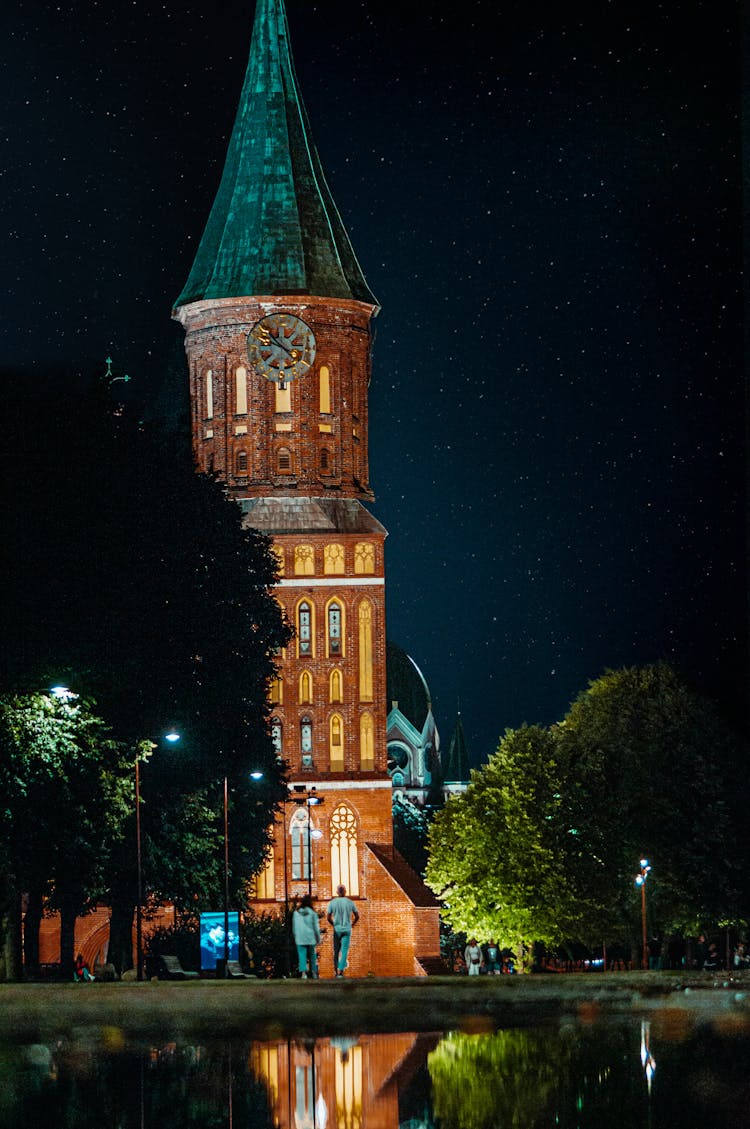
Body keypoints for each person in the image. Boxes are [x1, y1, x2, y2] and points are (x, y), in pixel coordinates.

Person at [326, 885, 359, 977]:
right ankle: (341, 971)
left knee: (336, 951)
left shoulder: (332, 903)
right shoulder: (350, 902)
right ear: (345, 892)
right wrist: (352, 924)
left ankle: (336, 972)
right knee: (344, 951)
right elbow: (357, 916)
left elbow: (328, 918)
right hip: (347, 929)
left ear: (337, 892)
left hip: (337, 930)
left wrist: (334, 925)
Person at [292, 894, 321, 979]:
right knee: (312, 955)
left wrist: (295, 936)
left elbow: (294, 926)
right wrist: (318, 938)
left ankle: (303, 974)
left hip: (300, 937)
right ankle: (314, 972)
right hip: (310, 937)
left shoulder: (296, 913)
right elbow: (316, 927)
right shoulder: (313, 913)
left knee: (302, 955)